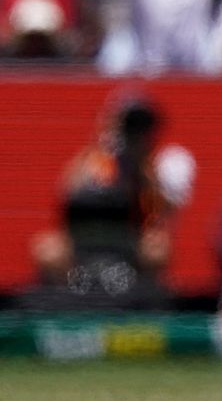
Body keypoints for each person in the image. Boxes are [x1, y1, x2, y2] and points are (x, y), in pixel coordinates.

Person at [29, 96, 195, 299]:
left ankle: (146, 302)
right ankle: (62, 304)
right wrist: (101, 145)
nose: (135, 133)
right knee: (47, 250)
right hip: (86, 236)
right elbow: (67, 190)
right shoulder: (99, 158)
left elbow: (165, 209)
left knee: (157, 248)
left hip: (134, 236)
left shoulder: (167, 160)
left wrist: (140, 165)